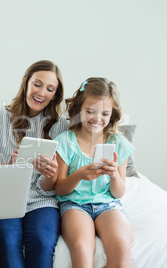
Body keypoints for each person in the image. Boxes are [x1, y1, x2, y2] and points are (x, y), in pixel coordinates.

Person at [0, 60, 68, 268]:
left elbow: (51, 187)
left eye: (50, 89)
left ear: (55, 94)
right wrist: (6, 167)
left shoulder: (61, 127)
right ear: (25, 82)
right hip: (6, 199)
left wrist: (51, 175)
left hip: (42, 201)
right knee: (7, 242)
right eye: (37, 84)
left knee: (42, 243)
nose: (41, 92)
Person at [54, 77, 134, 267]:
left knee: (122, 245)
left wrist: (114, 174)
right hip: (75, 205)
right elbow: (60, 189)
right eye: (90, 111)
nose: (97, 118)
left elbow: (119, 193)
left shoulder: (118, 144)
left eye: (105, 113)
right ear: (79, 109)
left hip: (108, 205)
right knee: (82, 247)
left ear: (112, 114)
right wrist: (79, 175)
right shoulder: (65, 141)